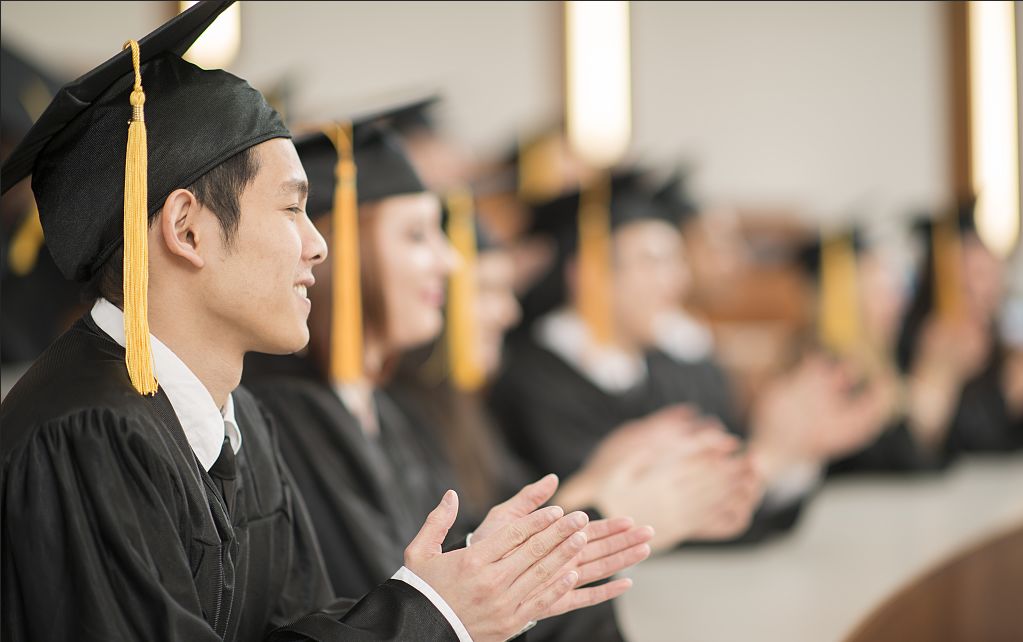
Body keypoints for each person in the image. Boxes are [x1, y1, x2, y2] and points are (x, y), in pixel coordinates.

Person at [1, 4, 627, 640]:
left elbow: (293, 626)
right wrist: (431, 617)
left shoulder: (240, 420)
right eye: (292, 209)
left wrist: (456, 595)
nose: (318, 245)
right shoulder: (88, 435)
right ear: (187, 228)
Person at [242, 111, 653, 639]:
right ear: (346, 253)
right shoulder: (286, 410)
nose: (450, 263)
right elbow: (379, 595)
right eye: (416, 236)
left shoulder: (386, 408)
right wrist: (593, 504)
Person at [489, 171, 891, 543]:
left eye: (676, 261)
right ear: (590, 275)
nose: (677, 280)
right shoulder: (532, 381)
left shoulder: (675, 368)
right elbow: (628, 525)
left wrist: (790, 456)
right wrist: (767, 458)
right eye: (653, 261)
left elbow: (729, 508)